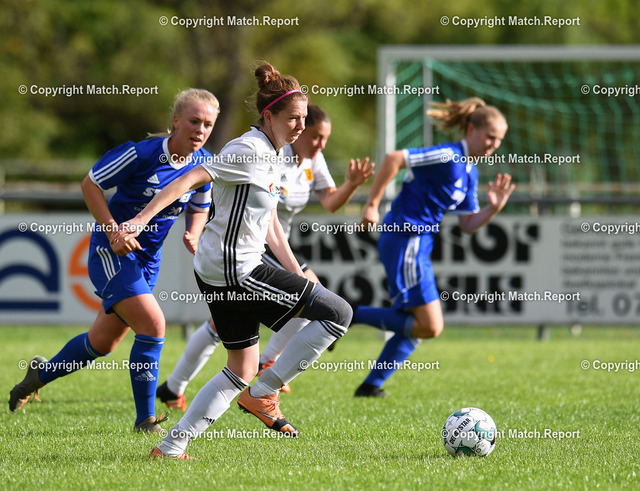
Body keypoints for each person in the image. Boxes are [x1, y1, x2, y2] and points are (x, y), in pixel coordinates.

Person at [113, 63, 353, 460]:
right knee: (338, 313)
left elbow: (269, 222)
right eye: (293, 118)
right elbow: (189, 178)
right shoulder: (248, 149)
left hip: (222, 269)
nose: (300, 126)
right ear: (269, 116)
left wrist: (296, 273)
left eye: (304, 118)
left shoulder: (275, 154)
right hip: (235, 270)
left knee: (241, 368)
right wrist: (140, 220)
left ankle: (171, 447)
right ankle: (265, 392)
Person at [8, 89, 220, 433]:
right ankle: (145, 420)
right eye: (194, 121)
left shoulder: (204, 163)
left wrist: (193, 232)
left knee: (101, 343)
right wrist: (112, 232)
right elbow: (90, 184)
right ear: (176, 121)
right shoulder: (141, 154)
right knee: (154, 325)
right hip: (111, 252)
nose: (200, 130)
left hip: (148, 261)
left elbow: (200, 203)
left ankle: (38, 376)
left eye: (208, 124)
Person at [156, 104, 374, 410]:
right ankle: (267, 364)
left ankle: (173, 387)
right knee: (313, 296)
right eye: (315, 136)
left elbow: (330, 202)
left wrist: (352, 184)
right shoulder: (268, 152)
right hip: (252, 244)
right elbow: (222, 187)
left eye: (325, 138)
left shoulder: (313, 160)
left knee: (222, 326)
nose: (320, 144)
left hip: (276, 243)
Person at [352, 97, 515, 397]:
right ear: (471, 129)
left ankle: (371, 386)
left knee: (417, 327)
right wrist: (371, 205)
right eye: (490, 137)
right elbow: (394, 158)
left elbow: (467, 224)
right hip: (406, 238)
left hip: (419, 244)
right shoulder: (449, 156)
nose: (494, 145)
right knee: (430, 326)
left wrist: (493, 208)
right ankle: (349, 314)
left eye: (499, 140)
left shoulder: (470, 171)